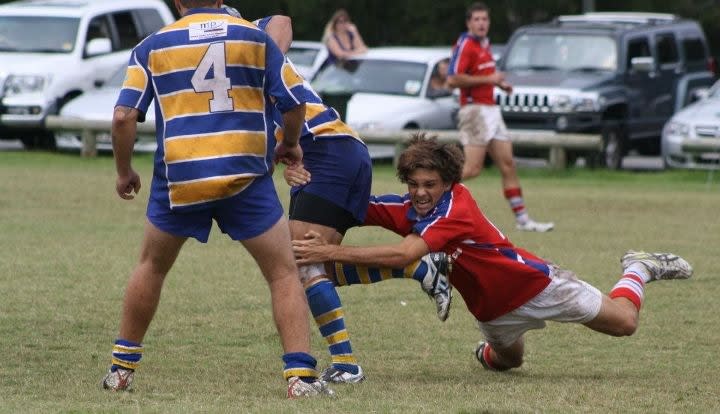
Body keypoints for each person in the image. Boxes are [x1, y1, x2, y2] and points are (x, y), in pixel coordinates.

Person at [292, 133, 693, 373]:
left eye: (429, 183)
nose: (419, 192)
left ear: (448, 182)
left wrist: (329, 250)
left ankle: (637, 266)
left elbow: (403, 254)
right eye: (413, 183)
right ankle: (491, 349)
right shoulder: (415, 208)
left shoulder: (456, 210)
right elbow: (349, 204)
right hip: (491, 310)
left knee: (624, 322)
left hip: (536, 286)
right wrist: (304, 180)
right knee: (508, 363)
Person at [102, 0, 333, 398]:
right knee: (282, 273)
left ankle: (121, 369)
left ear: (178, 3)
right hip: (245, 177)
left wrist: (124, 170)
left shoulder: (152, 45)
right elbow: (294, 102)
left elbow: (124, 116)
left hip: (180, 178)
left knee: (152, 267)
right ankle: (300, 378)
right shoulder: (255, 37)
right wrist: (289, 144)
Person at [255, 14, 453, 385]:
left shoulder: (243, 36)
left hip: (329, 149)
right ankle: (419, 269)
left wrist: (266, 62)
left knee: (302, 260)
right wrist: (284, 158)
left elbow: (281, 21)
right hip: (328, 152)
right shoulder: (218, 67)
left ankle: (346, 364)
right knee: (317, 269)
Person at [446, 2, 554, 232]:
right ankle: (431, 195)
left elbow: (484, 75)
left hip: (491, 110)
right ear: (469, 23)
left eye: (485, 19)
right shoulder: (466, 44)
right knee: (473, 169)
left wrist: (500, 84)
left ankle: (523, 220)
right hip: (474, 111)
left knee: (508, 165)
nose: (481, 23)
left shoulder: (483, 44)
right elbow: (453, 79)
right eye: (476, 19)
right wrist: (490, 80)